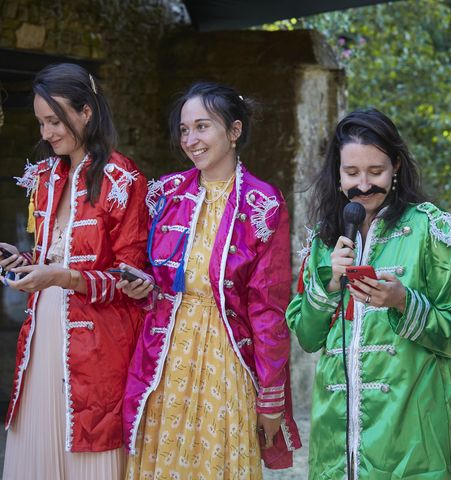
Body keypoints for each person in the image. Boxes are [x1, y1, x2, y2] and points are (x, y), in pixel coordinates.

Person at [121, 82, 301, 479]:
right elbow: (147, 271)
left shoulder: (262, 204)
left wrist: (270, 397)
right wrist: (141, 287)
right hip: (164, 356)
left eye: (202, 127)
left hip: (227, 355)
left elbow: (268, 305)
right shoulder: (164, 194)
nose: (191, 139)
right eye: (185, 130)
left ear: (234, 131)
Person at [286, 108, 451, 479]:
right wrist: (328, 287)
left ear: (397, 167)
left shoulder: (429, 229)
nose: (363, 184)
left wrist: (403, 302)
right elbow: (308, 339)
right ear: (337, 174)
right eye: (352, 173)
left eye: (376, 172)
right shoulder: (324, 239)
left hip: (410, 438)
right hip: (336, 442)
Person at [1, 63, 148, 479]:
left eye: (54, 120)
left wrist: (62, 278)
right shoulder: (45, 176)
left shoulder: (124, 179)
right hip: (41, 337)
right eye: (41, 122)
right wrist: (21, 261)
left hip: (97, 347)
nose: (46, 133)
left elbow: (131, 278)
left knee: (87, 445)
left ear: (86, 111)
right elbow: (51, 258)